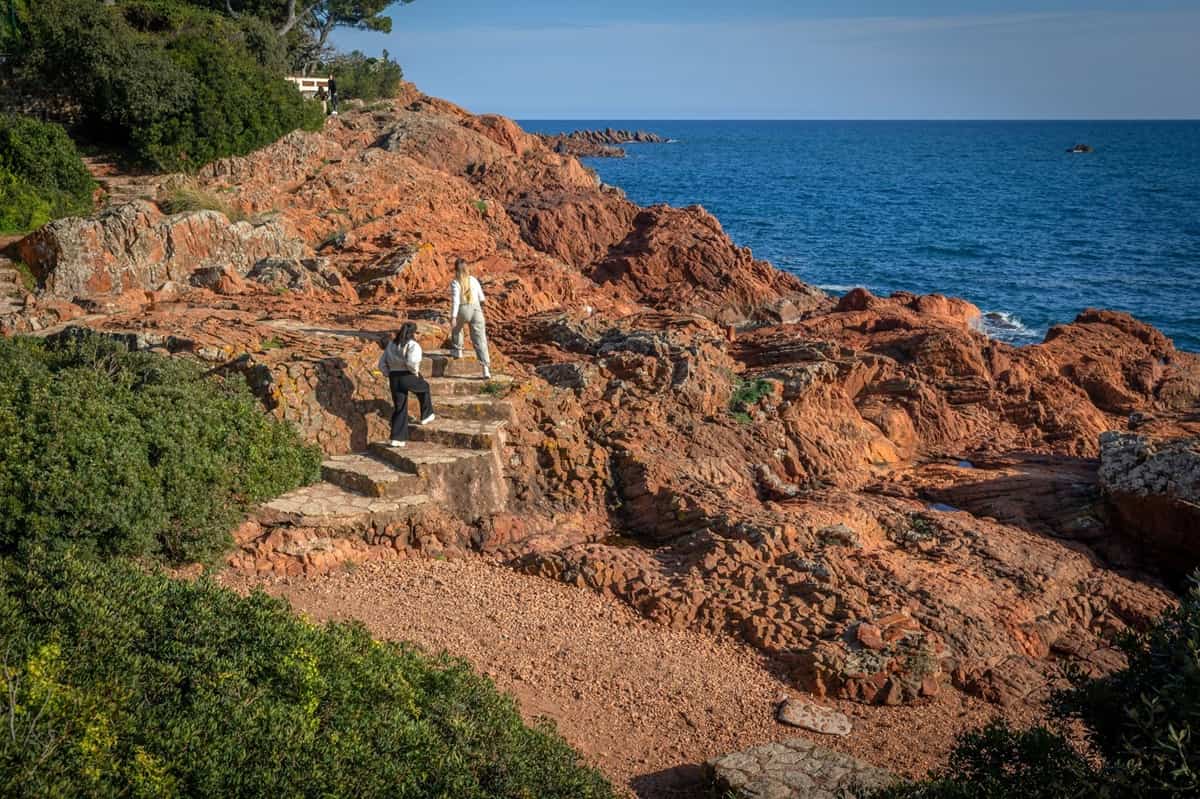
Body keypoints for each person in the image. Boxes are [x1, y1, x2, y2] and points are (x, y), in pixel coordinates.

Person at [377, 322, 434, 448]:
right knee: (425, 387)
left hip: (394, 378)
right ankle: (426, 415)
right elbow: (412, 362)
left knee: (400, 407)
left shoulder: (391, 344)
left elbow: (381, 364)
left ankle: (397, 439)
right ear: (413, 333)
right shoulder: (413, 345)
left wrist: (388, 373)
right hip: (407, 375)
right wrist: (415, 373)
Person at [449, 258, 491, 379]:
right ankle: (485, 369)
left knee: (457, 328)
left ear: (456, 270)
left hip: (463, 308)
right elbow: (482, 298)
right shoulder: (473, 279)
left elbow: (455, 300)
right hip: (476, 309)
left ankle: (458, 350)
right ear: (467, 268)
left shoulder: (456, 282)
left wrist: (453, 317)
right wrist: (481, 308)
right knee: (480, 339)